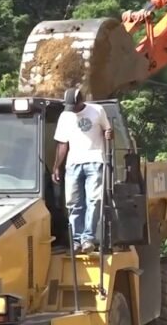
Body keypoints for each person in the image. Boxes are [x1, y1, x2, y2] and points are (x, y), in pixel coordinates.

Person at [52, 87, 113, 254]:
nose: (72, 111)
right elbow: (62, 143)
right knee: (73, 203)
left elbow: (108, 131)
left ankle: (88, 238)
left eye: (74, 106)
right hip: (73, 164)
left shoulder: (97, 111)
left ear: (81, 101)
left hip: (95, 161)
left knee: (93, 200)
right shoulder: (65, 116)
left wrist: (108, 134)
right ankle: (76, 239)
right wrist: (56, 167)